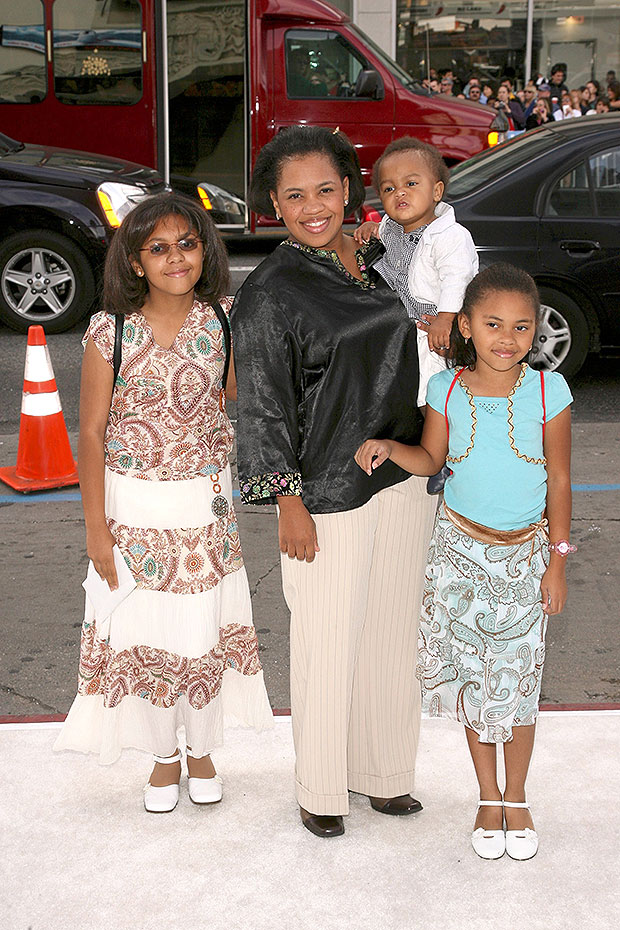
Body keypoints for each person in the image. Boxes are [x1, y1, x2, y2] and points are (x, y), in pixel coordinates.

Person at [231, 126, 437, 839]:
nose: (313, 206)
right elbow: (260, 405)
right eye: (295, 195)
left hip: (401, 473)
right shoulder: (268, 293)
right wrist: (287, 501)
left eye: (325, 189)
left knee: (388, 635)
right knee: (326, 641)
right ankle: (321, 789)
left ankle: (383, 776)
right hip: (324, 492)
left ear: (348, 190)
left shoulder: (378, 258)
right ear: (274, 206)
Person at [54, 192, 273, 811]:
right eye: (157, 248)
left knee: (200, 626)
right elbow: (91, 433)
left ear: (206, 249)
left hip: (204, 509)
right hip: (133, 511)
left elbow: (242, 401)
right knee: (143, 628)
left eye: (187, 243)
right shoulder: (110, 332)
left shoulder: (224, 320)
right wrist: (96, 528)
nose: (175, 257)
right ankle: (162, 755)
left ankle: (201, 751)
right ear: (133, 262)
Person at [355, 262, 574, 861]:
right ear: (468, 327)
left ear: (535, 334)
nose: (508, 339)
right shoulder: (444, 389)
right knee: (478, 684)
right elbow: (432, 459)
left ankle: (519, 796)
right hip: (457, 554)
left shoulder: (550, 393)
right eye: (494, 324)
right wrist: (389, 447)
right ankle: (486, 796)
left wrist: (557, 560)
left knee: (520, 684)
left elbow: (559, 479)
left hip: (525, 558)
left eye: (522, 327)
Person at [353, 136, 478, 409]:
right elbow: (381, 251)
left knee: (434, 399)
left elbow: (457, 278)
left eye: (411, 184)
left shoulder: (451, 236)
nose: (400, 193)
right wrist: (370, 229)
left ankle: (440, 445)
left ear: (436, 191)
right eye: (389, 188)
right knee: (404, 395)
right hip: (400, 334)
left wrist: (446, 318)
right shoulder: (390, 228)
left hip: (433, 331)